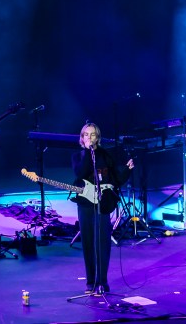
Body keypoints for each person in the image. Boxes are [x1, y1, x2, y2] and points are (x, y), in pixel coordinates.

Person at [72, 122, 134, 294]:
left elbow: (115, 180)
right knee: (88, 243)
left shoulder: (106, 156)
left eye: (92, 135)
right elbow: (80, 173)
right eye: (86, 135)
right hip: (85, 204)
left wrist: (127, 171)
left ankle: (102, 282)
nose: (89, 138)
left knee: (103, 243)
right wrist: (87, 152)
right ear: (82, 138)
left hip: (102, 203)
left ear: (97, 138)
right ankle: (90, 281)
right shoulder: (77, 156)